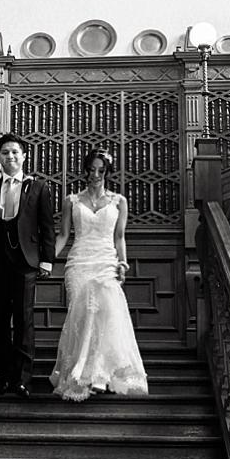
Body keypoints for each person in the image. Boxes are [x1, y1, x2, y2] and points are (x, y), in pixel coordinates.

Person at [49, 149, 148, 402]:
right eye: (91, 169)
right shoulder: (71, 200)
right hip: (79, 262)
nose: (95, 175)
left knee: (105, 316)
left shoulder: (119, 201)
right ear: (84, 170)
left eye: (100, 171)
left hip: (106, 261)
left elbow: (119, 237)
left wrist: (123, 263)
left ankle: (100, 376)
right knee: (82, 316)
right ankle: (81, 375)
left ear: (107, 173)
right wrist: (46, 260)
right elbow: (63, 236)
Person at [0, 133, 56, 398]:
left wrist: (47, 260)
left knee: (23, 321)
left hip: (25, 262)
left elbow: (47, 227)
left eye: (15, 152)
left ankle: (22, 380)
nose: (10, 157)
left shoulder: (39, 188)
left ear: (24, 156)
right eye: (5, 153)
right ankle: (4, 377)